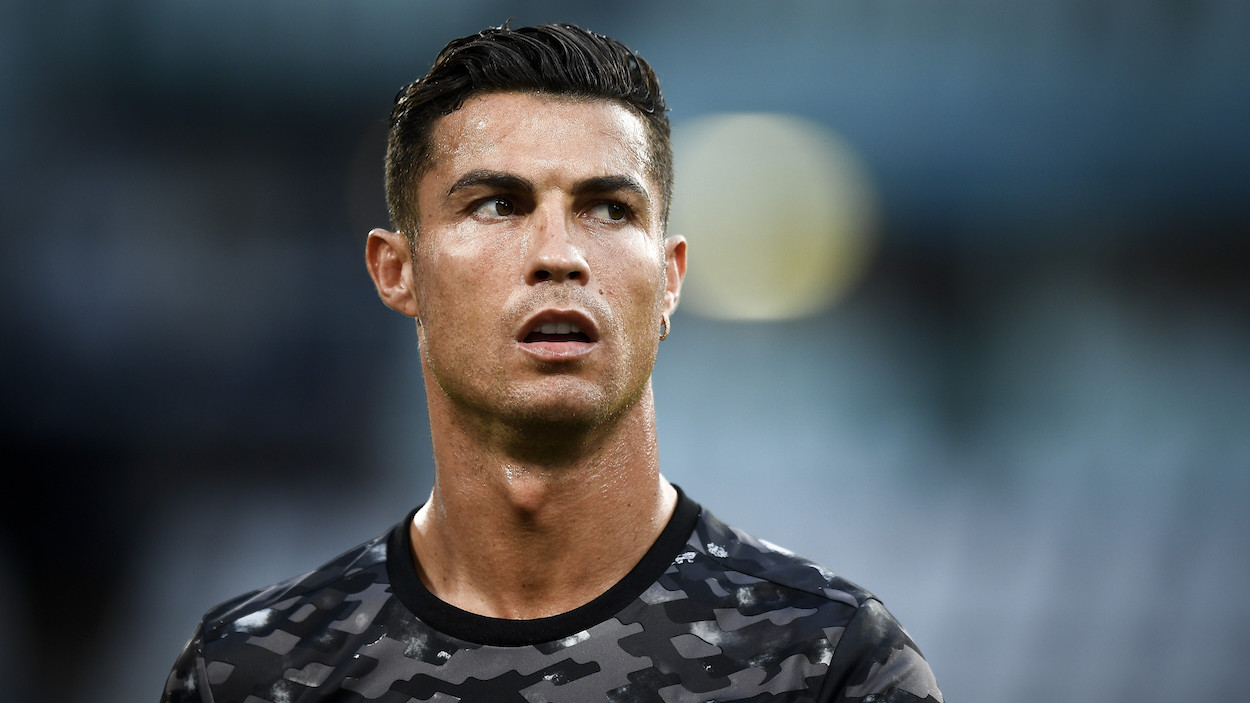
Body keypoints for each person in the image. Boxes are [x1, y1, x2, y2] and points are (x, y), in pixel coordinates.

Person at [160, 22, 942, 703]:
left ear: (669, 278)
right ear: (398, 270)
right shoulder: (253, 671)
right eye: (497, 204)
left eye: (609, 208)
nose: (559, 256)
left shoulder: (832, 663)